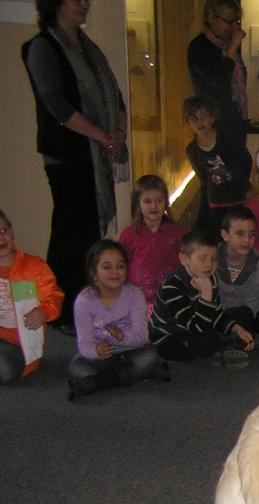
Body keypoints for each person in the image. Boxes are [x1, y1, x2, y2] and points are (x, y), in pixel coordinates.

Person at [22, 0, 129, 330]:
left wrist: (118, 133)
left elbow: (116, 97)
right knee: (70, 236)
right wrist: (102, 136)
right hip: (67, 157)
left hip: (95, 158)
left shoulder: (90, 48)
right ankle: (61, 311)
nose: (84, 4)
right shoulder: (42, 47)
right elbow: (56, 105)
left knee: (89, 237)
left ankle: (85, 306)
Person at [67, 240, 167, 400]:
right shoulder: (84, 300)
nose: (115, 271)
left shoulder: (134, 295)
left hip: (130, 350)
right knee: (76, 367)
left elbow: (142, 336)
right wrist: (96, 350)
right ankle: (138, 373)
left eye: (120, 266)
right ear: (93, 272)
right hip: (101, 356)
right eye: (107, 267)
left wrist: (122, 336)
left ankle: (95, 383)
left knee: (149, 355)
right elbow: (84, 342)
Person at [148, 230, 256, 369]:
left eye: (214, 259)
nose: (209, 264)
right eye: (203, 258)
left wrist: (236, 328)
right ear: (184, 259)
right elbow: (197, 328)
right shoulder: (172, 286)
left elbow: (216, 314)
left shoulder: (210, 277)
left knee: (244, 313)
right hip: (171, 337)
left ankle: (230, 343)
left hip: (201, 324)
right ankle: (226, 346)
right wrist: (206, 292)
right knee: (204, 339)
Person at [0, 209, 63, 383]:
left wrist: (43, 312)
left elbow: (55, 296)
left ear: (12, 231)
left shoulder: (35, 266)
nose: (1, 238)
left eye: (4, 230)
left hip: (21, 344)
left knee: (6, 370)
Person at [184, 96, 252, 242]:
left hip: (238, 199)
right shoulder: (192, 150)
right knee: (216, 240)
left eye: (204, 117)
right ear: (188, 122)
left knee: (239, 238)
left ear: (212, 118)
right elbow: (203, 179)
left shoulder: (229, 139)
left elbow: (246, 161)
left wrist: (243, 185)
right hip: (216, 202)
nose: (200, 122)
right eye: (194, 118)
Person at [119, 175, 186, 314]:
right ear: (138, 203)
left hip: (170, 299)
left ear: (166, 202)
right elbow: (121, 266)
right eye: (147, 201)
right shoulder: (128, 235)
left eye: (159, 200)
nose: (154, 206)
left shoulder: (178, 234)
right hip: (138, 301)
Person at [215, 206, 259, 349]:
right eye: (240, 234)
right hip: (219, 313)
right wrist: (229, 323)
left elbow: (253, 304)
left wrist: (238, 323)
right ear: (225, 235)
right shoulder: (212, 258)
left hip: (248, 312)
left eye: (252, 234)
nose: (247, 240)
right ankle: (234, 340)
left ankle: (236, 340)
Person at [187, 0, 247, 142]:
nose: (234, 27)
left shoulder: (227, 45)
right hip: (212, 124)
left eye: (237, 21)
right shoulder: (199, 46)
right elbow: (218, 79)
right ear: (212, 18)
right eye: (229, 21)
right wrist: (232, 49)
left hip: (234, 121)